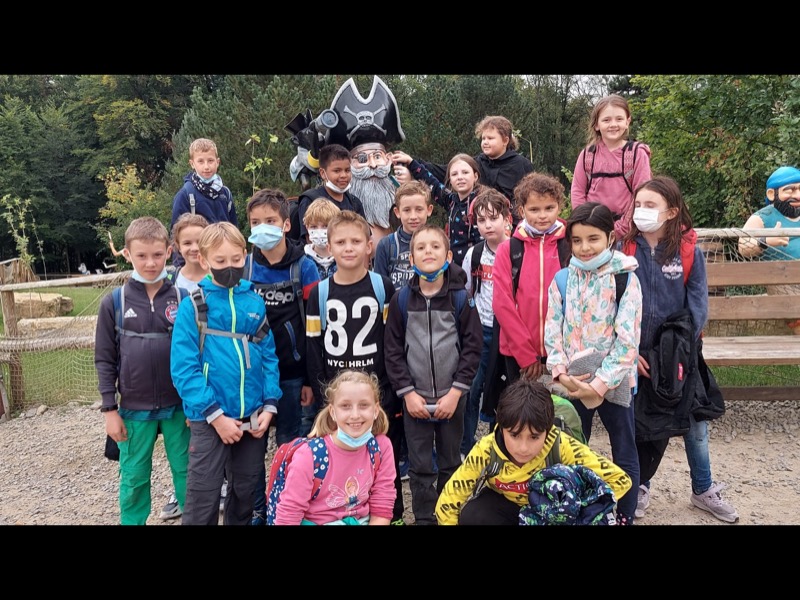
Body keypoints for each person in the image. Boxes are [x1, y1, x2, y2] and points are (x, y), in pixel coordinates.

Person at [623, 176, 738, 523]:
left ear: (672, 211)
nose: (642, 211)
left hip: (679, 355)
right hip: (638, 355)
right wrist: (628, 350)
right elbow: (614, 300)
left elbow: (698, 303)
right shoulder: (624, 248)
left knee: (695, 423)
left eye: (651, 205)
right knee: (644, 424)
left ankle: (703, 488)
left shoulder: (688, 250)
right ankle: (639, 486)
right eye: (638, 204)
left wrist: (684, 350)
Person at [170, 222, 282, 526]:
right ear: (204, 260)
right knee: (203, 496)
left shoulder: (254, 302)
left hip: (252, 417)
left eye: (235, 259)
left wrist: (269, 405)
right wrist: (215, 416)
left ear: (245, 255)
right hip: (210, 419)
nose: (229, 266)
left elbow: (269, 356)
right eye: (220, 261)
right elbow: (184, 369)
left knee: (245, 493)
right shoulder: (193, 306)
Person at [543, 201, 642, 525]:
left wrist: (599, 386)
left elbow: (627, 342)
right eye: (577, 240)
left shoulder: (625, 279)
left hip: (614, 383)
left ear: (610, 238)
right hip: (573, 382)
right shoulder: (561, 279)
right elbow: (552, 331)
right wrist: (560, 373)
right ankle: (576, 509)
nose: (585, 247)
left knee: (623, 449)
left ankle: (625, 513)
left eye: (593, 239)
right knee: (570, 447)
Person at [304, 210, 406, 524]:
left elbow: (393, 340)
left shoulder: (382, 287)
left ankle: (392, 514)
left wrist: (391, 389)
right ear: (329, 247)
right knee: (341, 456)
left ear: (369, 246)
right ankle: (344, 513)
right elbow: (313, 345)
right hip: (337, 395)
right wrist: (321, 392)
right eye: (341, 242)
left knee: (384, 454)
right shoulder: (319, 293)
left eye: (355, 241)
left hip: (378, 392)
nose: (348, 248)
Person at [383, 224, 482, 525]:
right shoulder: (401, 300)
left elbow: (472, 349)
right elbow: (393, 351)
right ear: (411, 259)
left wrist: (456, 392)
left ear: (448, 256)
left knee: (451, 462)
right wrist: (407, 394)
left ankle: (448, 515)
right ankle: (425, 518)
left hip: (452, 399)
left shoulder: (461, 299)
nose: (429, 251)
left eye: (435, 246)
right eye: (421, 247)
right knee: (421, 466)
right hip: (415, 401)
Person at [94, 216, 190, 525]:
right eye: (142, 255)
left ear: (169, 251)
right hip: (134, 409)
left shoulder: (183, 299)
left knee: (188, 473)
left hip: (180, 408)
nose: (150, 263)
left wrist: (196, 405)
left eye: (157, 254)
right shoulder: (114, 302)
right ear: (127, 254)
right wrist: (110, 410)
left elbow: (198, 354)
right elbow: (104, 359)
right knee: (134, 477)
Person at [435, 378, 632, 525]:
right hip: (505, 509)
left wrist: (579, 511)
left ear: (548, 430)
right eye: (514, 435)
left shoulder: (561, 445)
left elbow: (620, 480)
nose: (523, 448)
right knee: (472, 516)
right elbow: (448, 502)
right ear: (501, 427)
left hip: (551, 514)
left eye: (534, 437)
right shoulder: (486, 450)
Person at [243, 188, 320, 525]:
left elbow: (314, 329)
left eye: (270, 221)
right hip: (252, 376)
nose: (263, 227)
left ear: (286, 225)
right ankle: (258, 511)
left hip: (292, 375)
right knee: (253, 449)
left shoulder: (305, 268)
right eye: (255, 222)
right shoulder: (244, 267)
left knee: (290, 445)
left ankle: (286, 508)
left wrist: (309, 380)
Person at [487, 172, 571, 419]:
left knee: (561, 415)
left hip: (562, 351)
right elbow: (502, 304)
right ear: (521, 210)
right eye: (534, 209)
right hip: (518, 353)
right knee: (521, 415)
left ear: (559, 206)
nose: (542, 215)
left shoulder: (569, 245)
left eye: (549, 208)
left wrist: (559, 352)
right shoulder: (509, 248)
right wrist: (526, 355)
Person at [272, 370, 397, 525]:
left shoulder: (381, 447)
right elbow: (288, 515)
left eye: (364, 405)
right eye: (345, 406)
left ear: (376, 410)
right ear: (332, 412)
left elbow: (382, 506)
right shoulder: (309, 455)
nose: (355, 415)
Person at [159, 212, 213, 521]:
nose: (194, 248)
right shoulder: (171, 284)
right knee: (183, 435)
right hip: (184, 365)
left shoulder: (220, 276)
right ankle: (180, 488)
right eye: (187, 242)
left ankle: (216, 483)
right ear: (177, 246)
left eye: (199, 241)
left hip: (215, 365)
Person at [460, 188, 512, 457]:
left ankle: (498, 448)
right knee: (472, 389)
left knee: (502, 391)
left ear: (507, 219)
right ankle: (465, 447)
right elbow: (468, 291)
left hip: (509, 332)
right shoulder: (475, 254)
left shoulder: (517, 250)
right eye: (481, 220)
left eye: (493, 218)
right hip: (481, 331)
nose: (488, 225)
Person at [570, 94, 652, 239]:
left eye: (619, 119)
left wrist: (620, 229)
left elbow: (642, 194)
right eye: (606, 120)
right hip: (593, 232)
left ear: (627, 122)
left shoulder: (636, 154)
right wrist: (585, 224)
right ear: (596, 124)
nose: (613, 124)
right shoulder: (588, 155)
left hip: (629, 233)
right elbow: (577, 191)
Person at [416, 115, 534, 211]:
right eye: (483, 138)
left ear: (505, 140)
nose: (485, 142)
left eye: (490, 138)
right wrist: (413, 163)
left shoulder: (522, 165)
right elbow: (442, 171)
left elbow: (529, 199)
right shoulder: (476, 163)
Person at [392, 150, 485, 266]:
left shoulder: (481, 204)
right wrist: (411, 163)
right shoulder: (451, 201)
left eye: (465, 172)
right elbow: (432, 184)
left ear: (475, 176)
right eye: (454, 174)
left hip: (475, 267)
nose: (460, 177)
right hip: (453, 268)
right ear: (450, 179)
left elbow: (484, 242)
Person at [170, 138, 237, 266]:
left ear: (217, 162)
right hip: (198, 260)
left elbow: (233, 229)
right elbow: (176, 235)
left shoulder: (225, 193)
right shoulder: (185, 195)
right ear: (192, 164)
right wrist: (181, 268)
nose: (206, 166)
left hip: (223, 259)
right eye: (200, 161)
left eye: (210, 161)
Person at [294, 144, 367, 243]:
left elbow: (364, 236)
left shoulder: (354, 203)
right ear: (323, 173)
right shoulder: (310, 200)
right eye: (337, 171)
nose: (343, 175)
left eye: (347, 170)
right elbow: (309, 240)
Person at [373, 180, 434, 291]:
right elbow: (379, 288)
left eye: (419, 209)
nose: (413, 216)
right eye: (407, 210)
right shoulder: (386, 245)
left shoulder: (437, 244)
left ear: (429, 210)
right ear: (397, 212)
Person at [739, 166, 800, 260]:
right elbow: (743, 247)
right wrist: (765, 241)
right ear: (771, 194)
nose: (798, 196)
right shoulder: (762, 218)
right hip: (779, 268)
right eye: (789, 191)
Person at [302, 198, 340, 280]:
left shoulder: (344, 258)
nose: (319, 231)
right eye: (314, 227)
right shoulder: (301, 261)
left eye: (325, 226)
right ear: (307, 227)